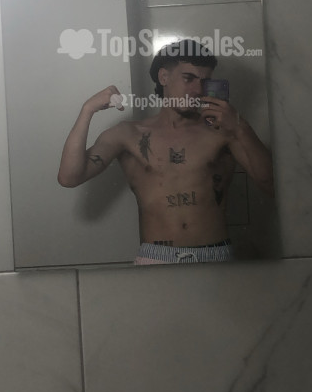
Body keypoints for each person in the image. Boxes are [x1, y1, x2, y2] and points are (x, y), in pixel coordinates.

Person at [58, 39, 275, 265]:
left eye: (204, 81)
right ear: (164, 77)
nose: (197, 90)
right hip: (157, 257)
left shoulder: (224, 131)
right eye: (188, 78)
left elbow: (273, 187)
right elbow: (69, 177)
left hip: (216, 255)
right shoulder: (129, 134)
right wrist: (87, 110)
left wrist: (240, 126)